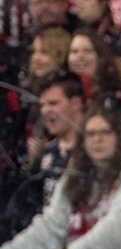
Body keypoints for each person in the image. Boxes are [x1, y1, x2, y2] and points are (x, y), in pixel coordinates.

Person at [0, 108, 121, 249]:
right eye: (91, 134)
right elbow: (50, 227)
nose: (97, 139)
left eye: (106, 132)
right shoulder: (73, 179)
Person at [5, 73, 83, 240]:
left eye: (53, 103)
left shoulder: (91, 152)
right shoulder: (45, 154)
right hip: (47, 241)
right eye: (43, 105)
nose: (46, 110)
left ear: (76, 103)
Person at [66, 28, 121, 113]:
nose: (80, 56)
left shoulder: (115, 93)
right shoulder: (62, 94)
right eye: (74, 51)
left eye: (88, 51)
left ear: (100, 56)